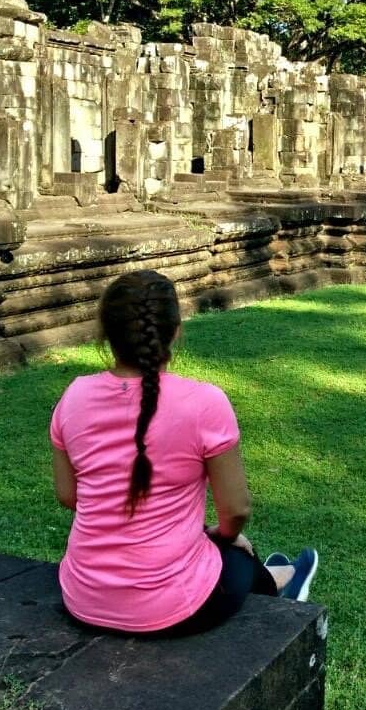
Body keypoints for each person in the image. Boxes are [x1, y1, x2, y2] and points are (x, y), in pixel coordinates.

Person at [49, 269, 317, 636]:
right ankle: (282, 581)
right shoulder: (204, 402)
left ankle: (276, 575)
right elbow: (236, 510)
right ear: (176, 331)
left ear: (105, 334)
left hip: (85, 597)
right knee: (237, 555)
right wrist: (222, 535)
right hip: (169, 607)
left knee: (221, 554)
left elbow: (68, 496)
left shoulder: (73, 396)